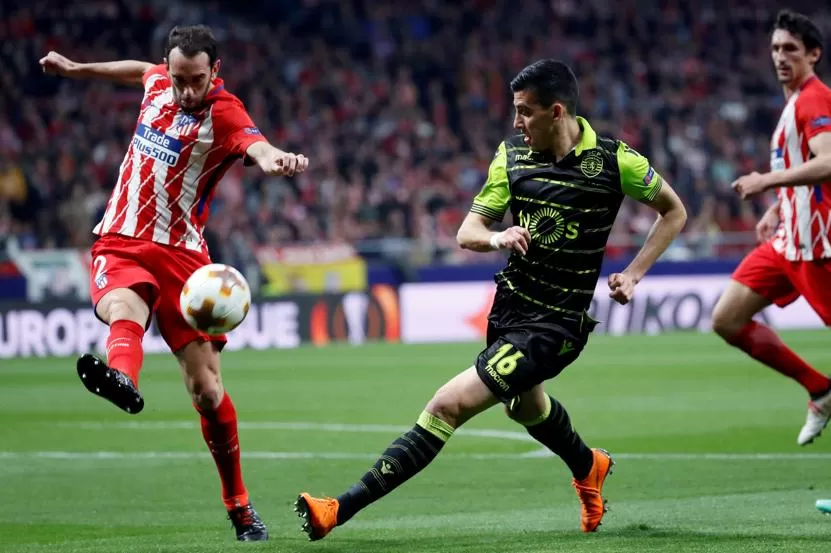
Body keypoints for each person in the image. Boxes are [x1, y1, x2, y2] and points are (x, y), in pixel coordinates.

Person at [294, 59, 687, 541]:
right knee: (524, 409)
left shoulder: (613, 160)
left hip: (556, 326)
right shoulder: (511, 158)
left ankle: (338, 508)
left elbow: (673, 211)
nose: (516, 122)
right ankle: (589, 465)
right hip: (509, 311)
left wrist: (633, 274)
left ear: (556, 111)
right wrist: (498, 238)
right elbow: (468, 231)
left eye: (525, 112)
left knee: (446, 406)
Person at [39, 25, 309, 541]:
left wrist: (276, 159)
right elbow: (138, 71)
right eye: (180, 79)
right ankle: (124, 379)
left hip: (184, 257)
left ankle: (240, 506)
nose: (187, 91)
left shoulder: (224, 111)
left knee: (207, 392)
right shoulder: (159, 80)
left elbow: (257, 144)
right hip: (120, 238)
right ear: (171, 68)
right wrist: (77, 70)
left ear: (215, 73)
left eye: (198, 81)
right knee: (125, 303)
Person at [714, 10, 831, 446]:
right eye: (776, 49)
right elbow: (804, 168)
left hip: (819, 245)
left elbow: (827, 162)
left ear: (813, 54)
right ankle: (820, 388)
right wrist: (778, 209)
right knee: (727, 319)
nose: (780, 57)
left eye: (791, 50)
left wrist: (765, 181)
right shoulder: (793, 103)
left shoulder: (814, 99)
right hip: (788, 242)